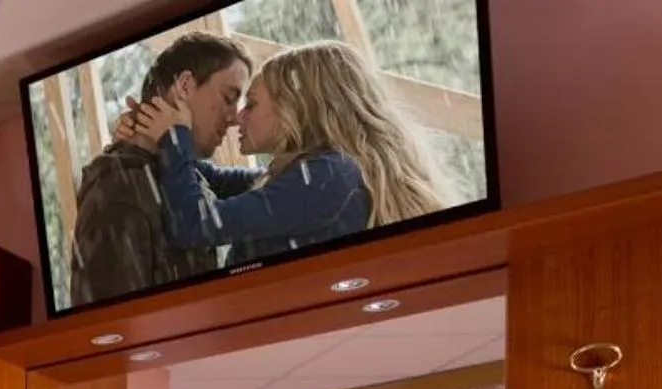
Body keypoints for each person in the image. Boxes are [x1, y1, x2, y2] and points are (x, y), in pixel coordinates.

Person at [132, 40, 451, 269]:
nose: (238, 116)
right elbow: (217, 181)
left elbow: (194, 225)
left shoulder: (327, 177)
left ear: (297, 108)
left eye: (251, 104)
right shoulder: (328, 174)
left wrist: (174, 138)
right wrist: (154, 140)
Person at [65, 31, 257, 308]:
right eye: (229, 98)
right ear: (186, 85)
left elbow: (262, 183)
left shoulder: (179, 175)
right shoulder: (121, 189)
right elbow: (109, 323)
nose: (234, 118)